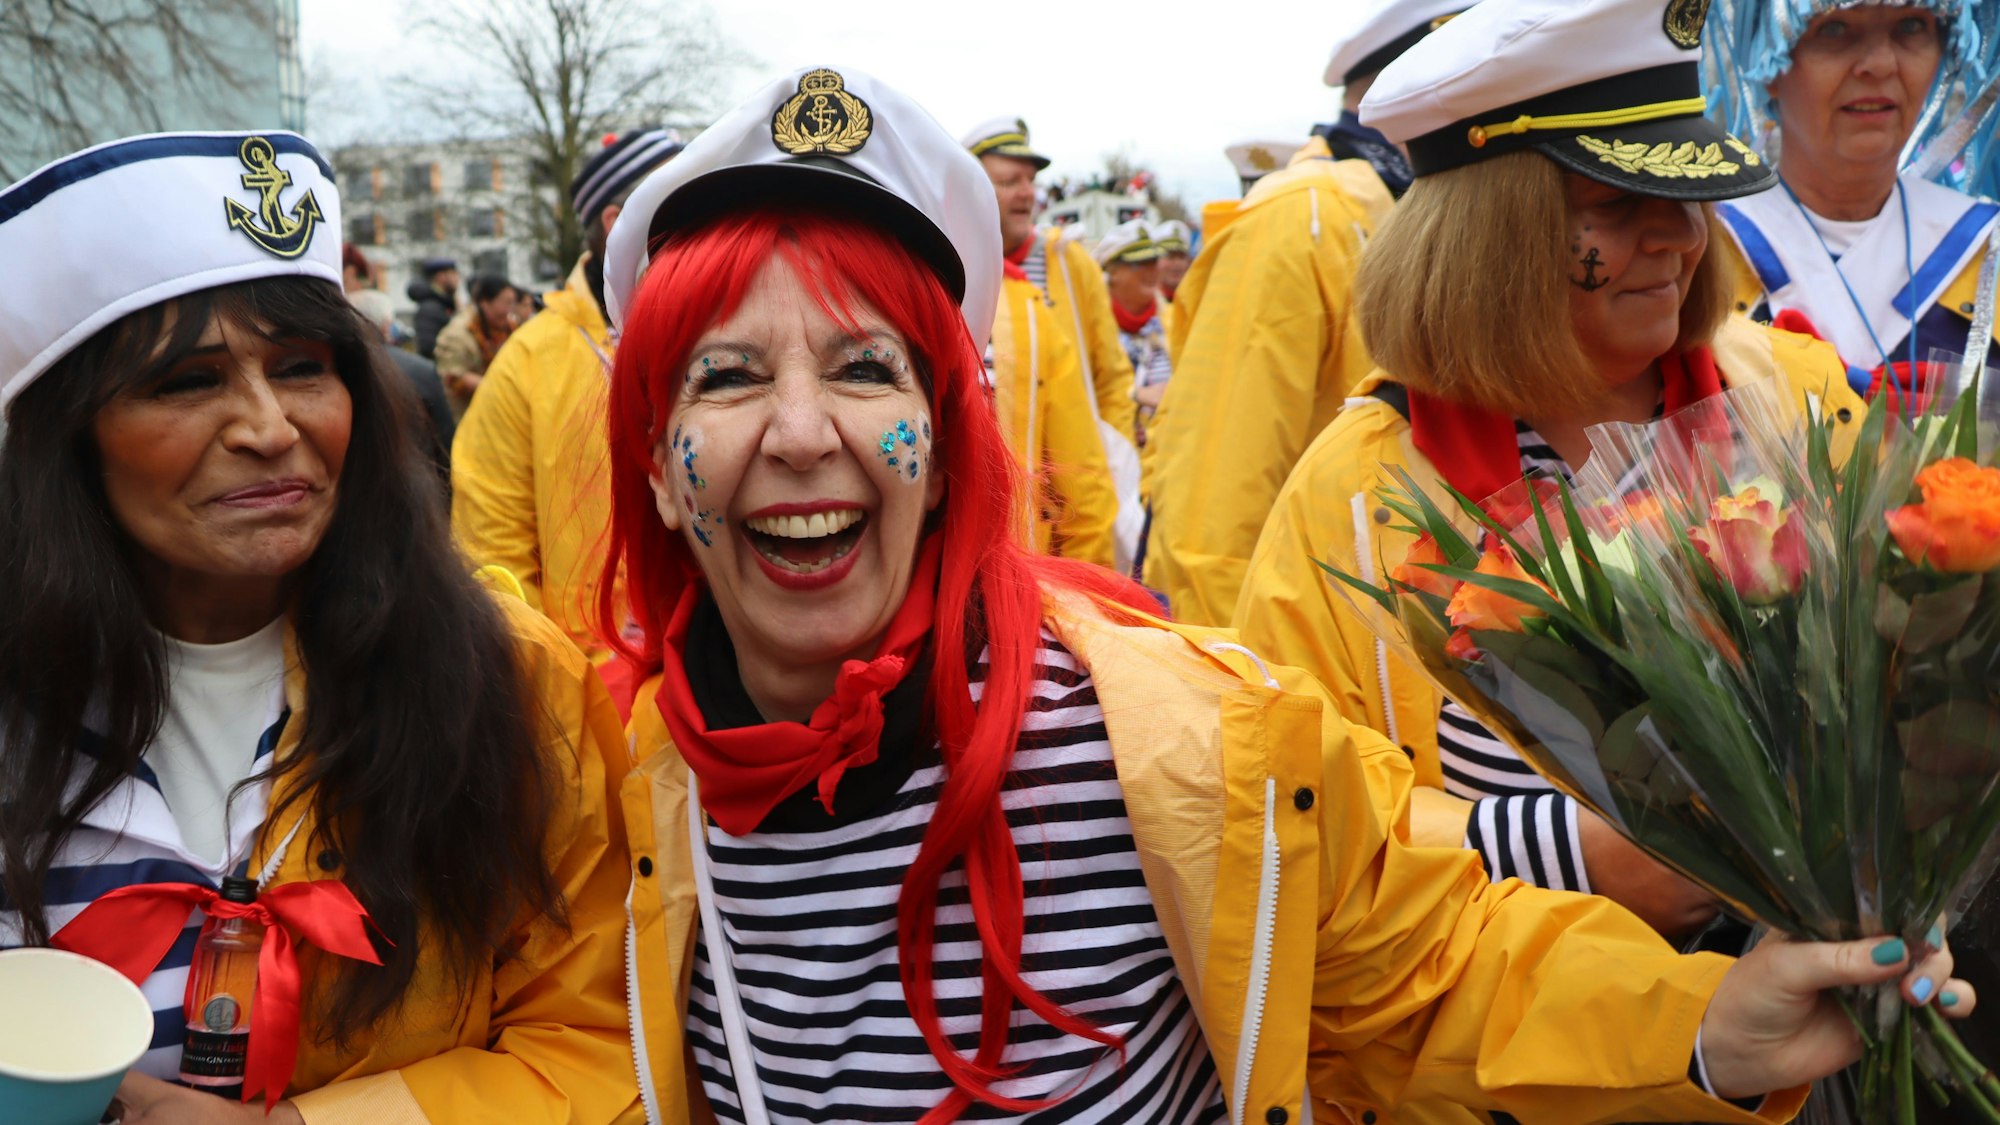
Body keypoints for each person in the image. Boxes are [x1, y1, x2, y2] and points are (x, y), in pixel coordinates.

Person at [596, 64, 1973, 1125]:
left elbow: (1426, 958)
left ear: (952, 439)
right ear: (657, 468)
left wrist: (1702, 1032)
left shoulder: (1175, 743)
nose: (796, 432)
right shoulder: (610, 795)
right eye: (724, 377)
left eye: (861, 370)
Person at [1237, 0, 1873, 1004]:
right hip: (1506, 1061)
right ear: (1489, 234)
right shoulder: (1351, 493)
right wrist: (1568, 854)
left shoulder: (1794, 392)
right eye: (1617, 204)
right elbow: (1296, 820)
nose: (1675, 238)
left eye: (1683, 195)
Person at [0, 132, 635, 1121]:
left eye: (301, 367)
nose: (267, 426)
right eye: (188, 381)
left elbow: (598, 1045)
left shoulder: (507, 681)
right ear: (67, 439)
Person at [1140, 0, 1466, 627]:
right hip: (1319, 659)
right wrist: (1244, 691)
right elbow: (1213, 519)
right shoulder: (1299, 218)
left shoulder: (1414, 210)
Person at [451, 126, 685, 713]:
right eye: (687, 202)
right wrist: (569, 700)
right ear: (618, 223)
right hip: (587, 703)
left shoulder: (723, 328)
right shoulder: (528, 362)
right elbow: (491, 559)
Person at [1707, 2, 1999, 394]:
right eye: (1835, 29)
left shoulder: (1989, 253)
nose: (1879, 64)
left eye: (1911, 26)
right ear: (1769, 59)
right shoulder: (1690, 263)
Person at [964, 117, 1141, 447]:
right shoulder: (951, 268)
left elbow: (1112, 379)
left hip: (1072, 485)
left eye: (1030, 180)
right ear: (969, 187)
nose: (1027, 193)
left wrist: (1116, 465)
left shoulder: (1070, 263)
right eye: (1009, 181)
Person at [349, 287, 455, 484]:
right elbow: (445, 436)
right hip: (414, 484)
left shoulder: (335, 369)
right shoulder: (420, 370)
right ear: (387, 325)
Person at [1094, 220, 1173, 445]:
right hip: (1112, 460)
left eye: (1154, 261)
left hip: (1163, 460)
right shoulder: (1089, 329)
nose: (1152, 270)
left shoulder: (1173, 322)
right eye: (1140, 263)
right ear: (1112, 272)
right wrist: (1136, 394)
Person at [433, 273, 520, 415]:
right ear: (485, 303)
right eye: (506, 303)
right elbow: (453, 377)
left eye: (512, 303)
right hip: (465, 417)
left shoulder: (508, 328)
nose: (510, 310)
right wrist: (504, 389)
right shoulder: (457, 334)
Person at [406, 256, 458, 360]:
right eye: (453, 274)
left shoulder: (442, 304)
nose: (457, 279)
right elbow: (427, 348)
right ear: (441, 276)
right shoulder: (430, 308)